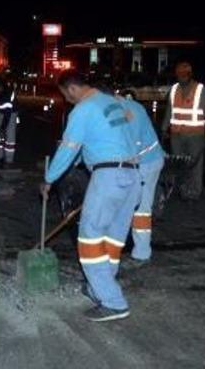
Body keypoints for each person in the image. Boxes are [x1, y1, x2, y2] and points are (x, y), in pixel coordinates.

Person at [40, 70, 141, 322]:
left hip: (108, 177)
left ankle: (113, 302)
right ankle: (99, 288)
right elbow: (96, 143)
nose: (67, 100)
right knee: (113, 238)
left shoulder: (83, 109)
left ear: (71, 89)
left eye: (65, 95)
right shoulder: (111, 103)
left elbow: (69, 147)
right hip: (132, 177)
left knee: (89, 237)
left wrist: (50, 178)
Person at [160, 61, 205, 201]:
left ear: (190, 75)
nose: (181, 78)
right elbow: (169, 111)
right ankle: (182, 190)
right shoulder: (173, 90)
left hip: (195, 135)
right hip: (176, 135)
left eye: (184, 75)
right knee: (179, 164)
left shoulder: (201, 90)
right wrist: (164, 128)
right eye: (179, 75)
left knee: (194, 165)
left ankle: (193, 193)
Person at [121, 97, 165, 267]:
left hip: (147, 162)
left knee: (141, 209)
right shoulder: (126, 107)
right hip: (144, 160)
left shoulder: (127, 110)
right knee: (134, 205)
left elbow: (131, 143)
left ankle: (142, 253)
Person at [0, 79, 19, 166]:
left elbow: (8, 114)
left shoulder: (7, 96)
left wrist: (2, 127)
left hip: (11, 113)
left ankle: (9, 160)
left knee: (9, 136)